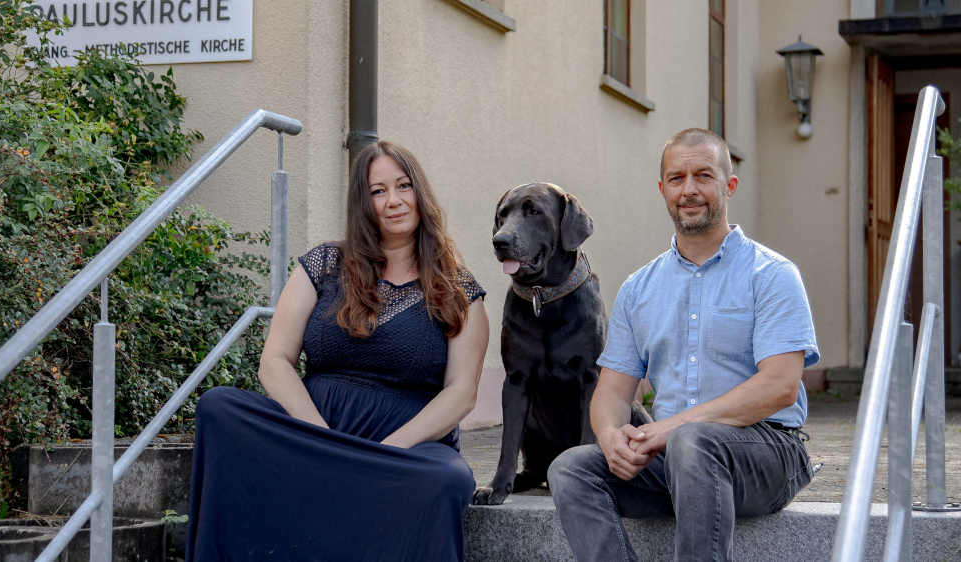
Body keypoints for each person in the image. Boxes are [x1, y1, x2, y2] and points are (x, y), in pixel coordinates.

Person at [186, 140, 490, 561]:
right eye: (378, 191)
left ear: (420, 193)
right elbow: (274, 361)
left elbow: (461, 392)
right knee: (219, 407)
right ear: (363, 203)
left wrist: (389, 451)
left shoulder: (458, 288)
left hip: (405, 442)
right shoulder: (325, 265)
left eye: (403, 186)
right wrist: (319, 437)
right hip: (315, 428)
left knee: (448, 479)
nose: (393, 201)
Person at [547, 128, 820, 562]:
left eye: (703, 176)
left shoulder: (771, 274)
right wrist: (612, 436)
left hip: (766, 454)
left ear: (729, 185)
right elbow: (613, 392)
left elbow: (780, 387)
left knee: (693, 442)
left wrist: (671, 429)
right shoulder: (639, 288)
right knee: (572, 469)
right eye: (677, 179)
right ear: (663, 190)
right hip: (675, 459)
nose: (689, 190)